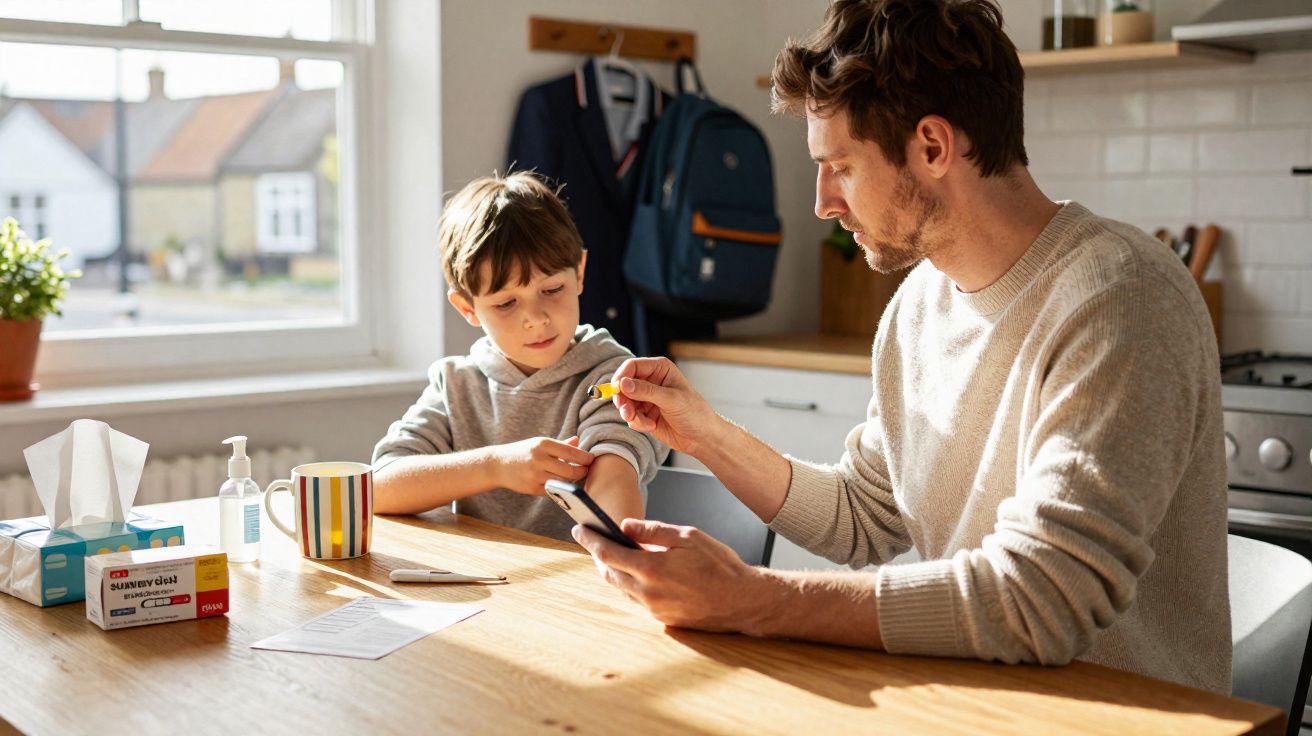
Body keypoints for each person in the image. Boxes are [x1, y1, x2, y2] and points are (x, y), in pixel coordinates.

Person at [572, 0, 1230, 694]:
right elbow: (862, 516)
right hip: (974, 704)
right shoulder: (920, 305)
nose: (823, 201)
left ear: (934, 147)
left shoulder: (1120, 298)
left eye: (841, 167)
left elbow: (1044, 598)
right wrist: (706, 435)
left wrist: (749, 598)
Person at [372, 172, 668, 541]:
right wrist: (494, 466)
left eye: (552, 288)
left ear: (579, 273)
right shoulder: (455, 385)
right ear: (468, 308)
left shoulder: (611, 378)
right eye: (507, 303)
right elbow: (378, 487)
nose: (537, 319)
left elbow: (615, 483)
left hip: (573, 590)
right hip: (479, 586)